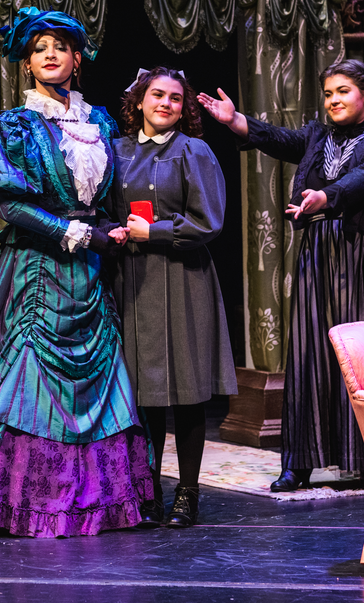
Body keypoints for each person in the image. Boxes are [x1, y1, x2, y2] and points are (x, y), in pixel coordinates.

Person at [0, 7, 152, 537]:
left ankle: (98, 504)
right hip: (38, 269)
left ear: (77, 59)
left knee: (98, 378)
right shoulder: (12, 126)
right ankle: (36, 502)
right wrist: (75, 233)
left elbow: (109, 196)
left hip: (90, 273)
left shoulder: (100, 122)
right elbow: (11, 206)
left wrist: (111, 230)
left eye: (60, 47)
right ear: (26, 64)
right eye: (39, 48)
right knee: (31, 376)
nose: (50, 54)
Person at [198, 59, 364, 491]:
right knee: (311, 352)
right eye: (328, 93)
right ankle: (300, 461)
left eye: (343, 91)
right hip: (320, 252)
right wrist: (236, 121)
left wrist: (327, 196)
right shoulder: (318, 136)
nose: (333, 100)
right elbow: (278, 138)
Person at [108, 67, 237, 528]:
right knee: (145, 396)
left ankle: (187, 493)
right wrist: (114, 231)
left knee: (186, 391)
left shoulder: (193, 151)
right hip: (135, 280)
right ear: (139, 101)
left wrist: (156, 231)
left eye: (176, 98)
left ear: (184, 110)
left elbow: (209, 220)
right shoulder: (117, 151)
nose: (166, 103)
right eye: (157, 95)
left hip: (184, 278)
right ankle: (149, 492)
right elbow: (101, 207)